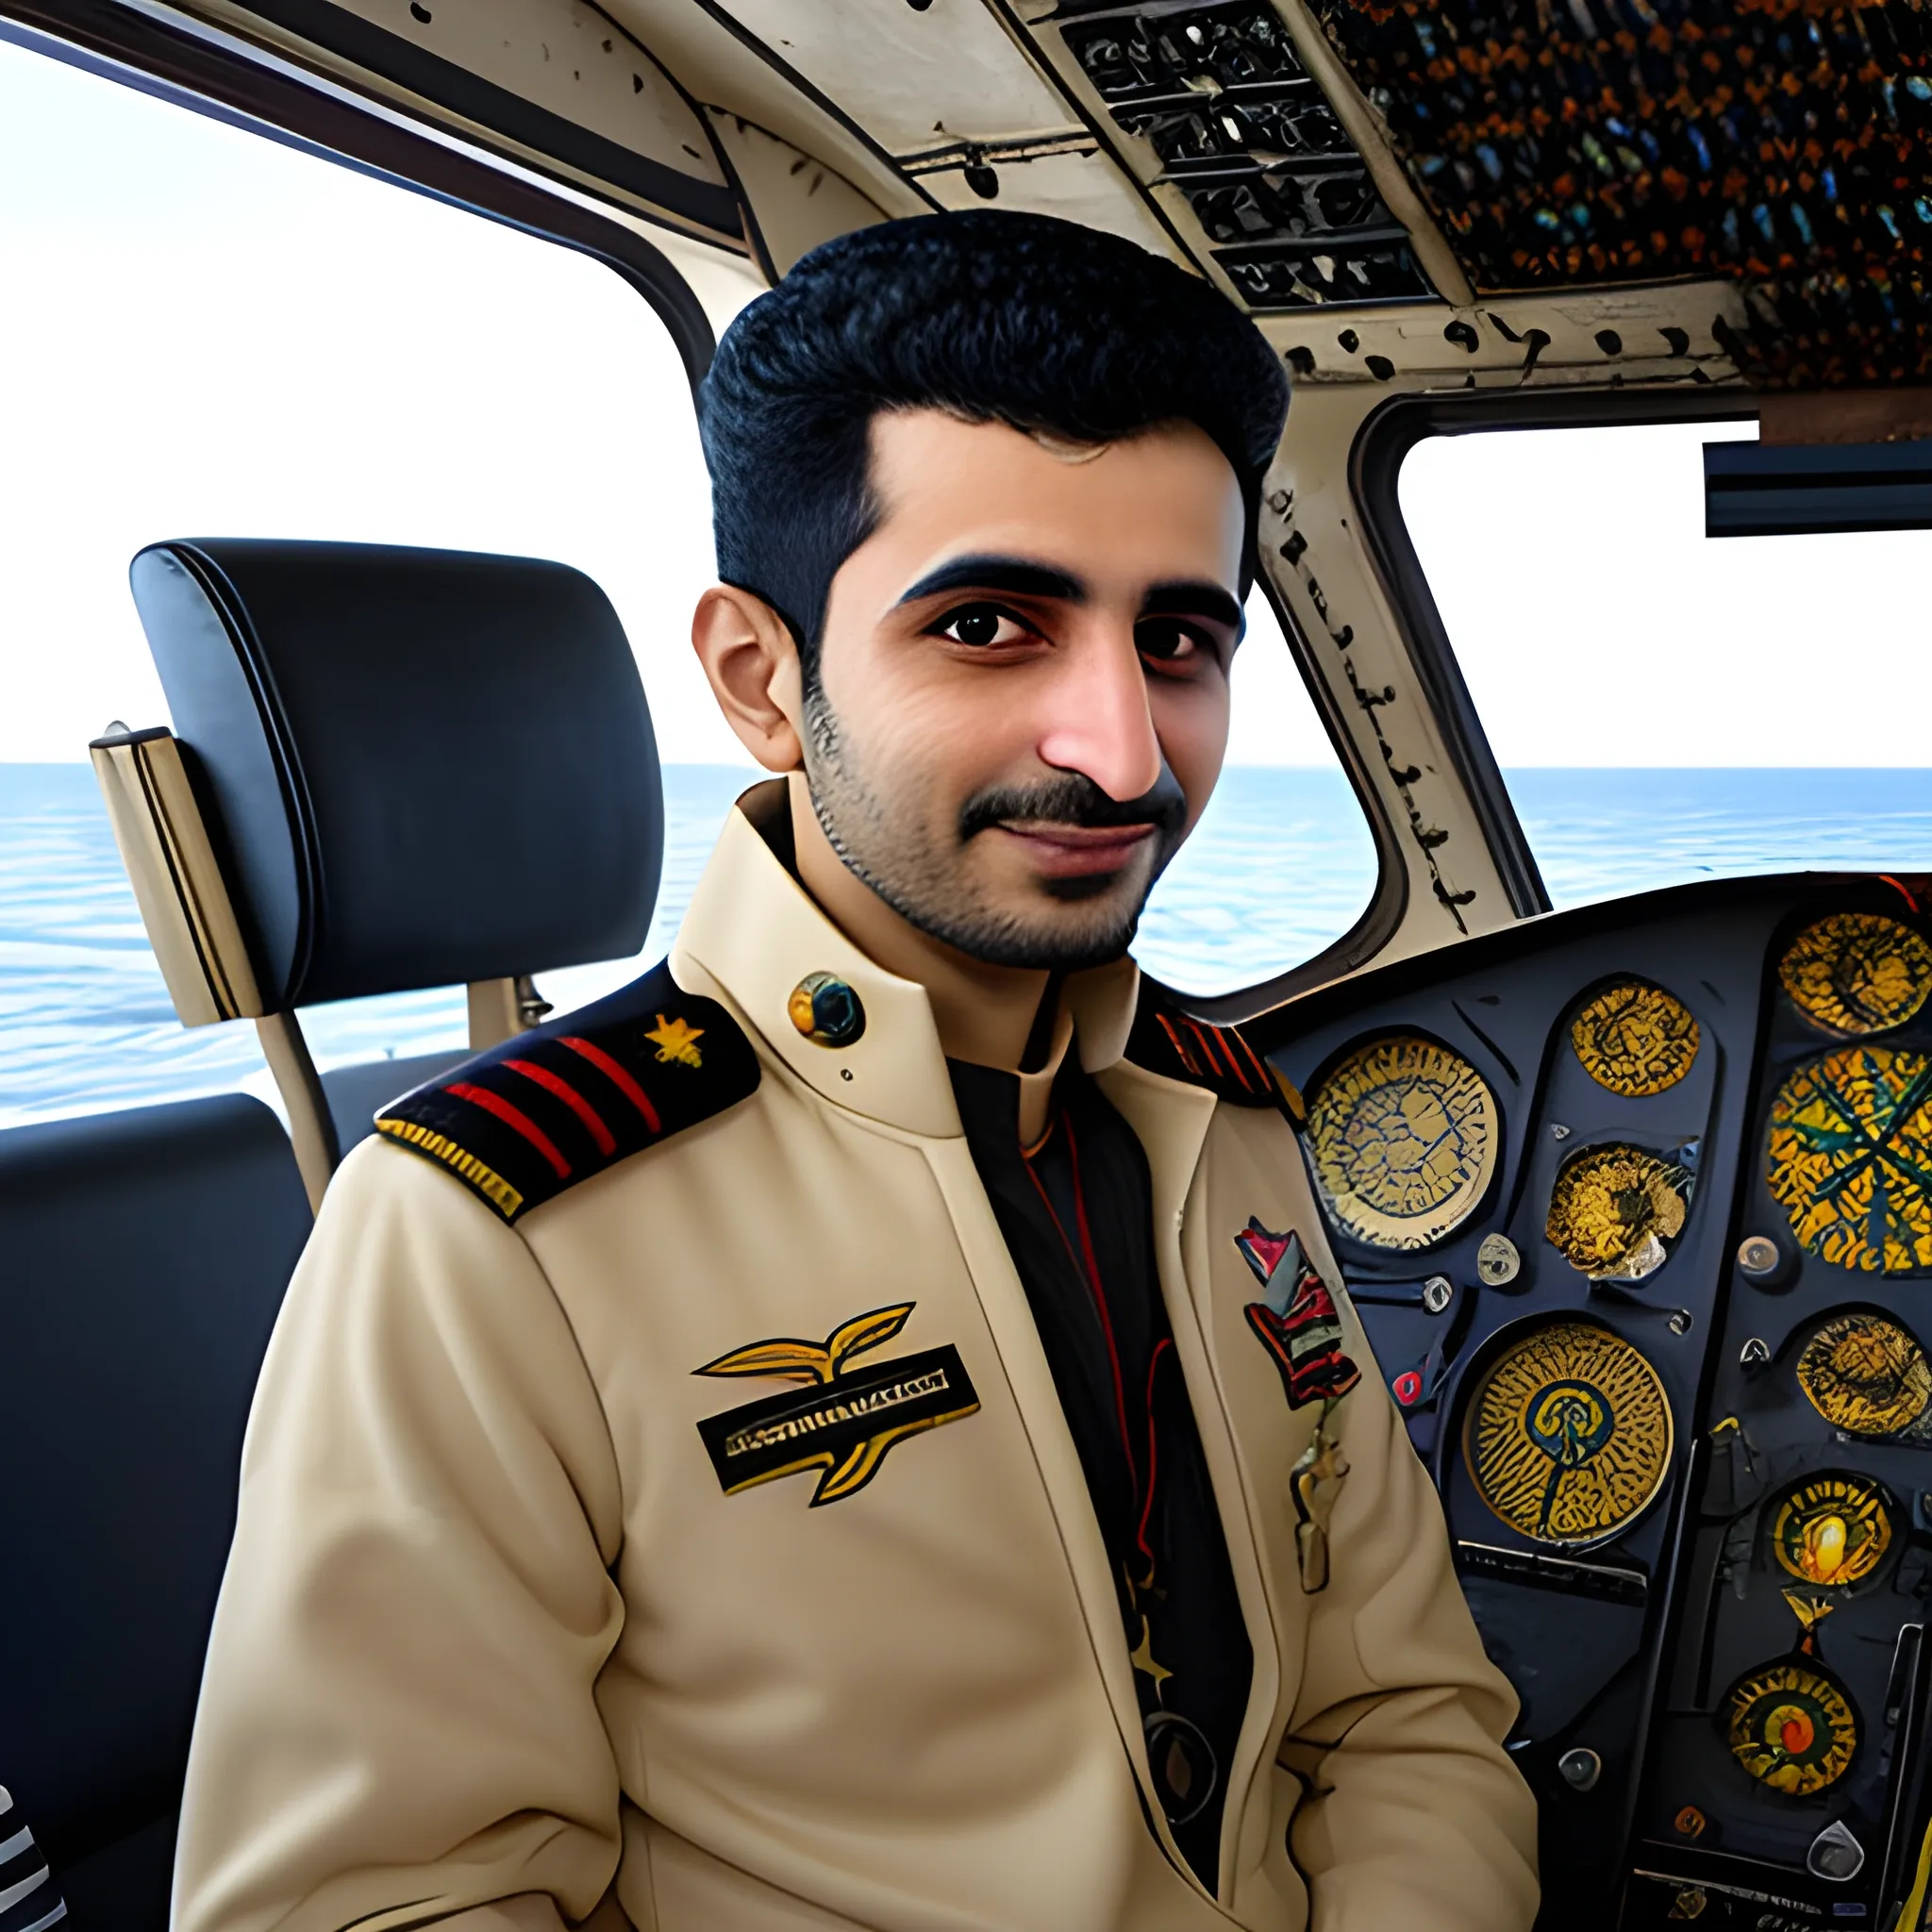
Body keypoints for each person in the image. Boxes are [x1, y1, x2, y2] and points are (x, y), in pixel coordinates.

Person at [174, 210, 1539, 1932]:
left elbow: (1402, 1715)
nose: (1121, 750)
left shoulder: (1227, 1117)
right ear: (762, 676)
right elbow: (375, 1905)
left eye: (1179, 641)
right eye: (989, 628)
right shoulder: (496, 1227)